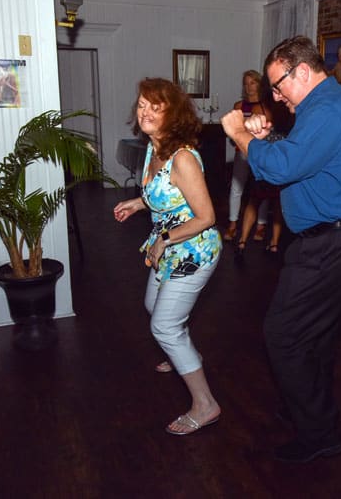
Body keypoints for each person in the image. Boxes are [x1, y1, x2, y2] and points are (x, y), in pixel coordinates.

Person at [221, 35, 341, 463]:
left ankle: (319, 433)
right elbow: (301, 162)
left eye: (278, 86)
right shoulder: (323, 107)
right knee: (315, 336)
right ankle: (310, 412)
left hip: (334, 244)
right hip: (334, 239)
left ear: (303, 71)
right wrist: (268, 138)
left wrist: (240, 133)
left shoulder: (328, 110)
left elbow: (280, 170)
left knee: (284, 335)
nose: (275, 96)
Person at [113, 77, 222, 436]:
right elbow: (164, 193)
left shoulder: (183, 158)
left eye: (154, 107)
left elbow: (206, 216)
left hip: (195, 250)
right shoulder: (153, 148)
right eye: (141, 105)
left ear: (172, 114)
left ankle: (205, 404)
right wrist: (138, 203)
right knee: (153, 306)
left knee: (163, 326)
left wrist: (163, 237)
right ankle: (185, 352)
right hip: (170, 246)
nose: (144, 112)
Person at [235, 76, 294, 257]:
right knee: (274, 203)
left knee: (255, 201)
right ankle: (273, 243)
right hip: (278, 157)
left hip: (269, 157)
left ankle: (243, 241)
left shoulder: (262, 107)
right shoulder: (290, 109)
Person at [222, 70, 269, 243]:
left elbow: (269, 132)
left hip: (259, 153)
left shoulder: (266, 106)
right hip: (241, 152)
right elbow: (232, 132)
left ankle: (261, 225)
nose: (249, 87)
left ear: (259, 84)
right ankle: (233, 223)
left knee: (262, 189)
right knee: (236, 188)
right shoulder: (238, 106)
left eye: (252, 82)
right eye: (246, 83)